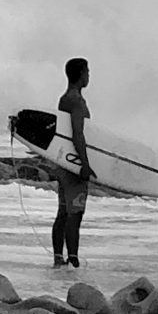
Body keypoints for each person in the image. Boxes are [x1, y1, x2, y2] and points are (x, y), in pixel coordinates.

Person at [52, 57, 95, 268]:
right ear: (80, 75)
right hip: (75, 165)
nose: (89, 75)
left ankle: (59, 258)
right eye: (87, 71)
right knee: (75, 213)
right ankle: (74, 260)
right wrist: (85, 165)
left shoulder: (64, 99)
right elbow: (78, 133)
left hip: (62, 162)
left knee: (62, 211)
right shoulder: (77, 101)